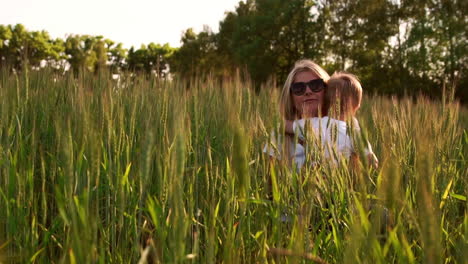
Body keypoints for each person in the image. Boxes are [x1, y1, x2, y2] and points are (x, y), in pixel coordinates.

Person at [285, 72, 378, 168]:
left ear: (326, 101)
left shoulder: (313, 123)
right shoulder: (354, 132)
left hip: (314, 174)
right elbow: (371, 160)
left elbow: (286, 125)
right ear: (357, 107)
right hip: (339, 177)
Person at [263, 59, 330, 169]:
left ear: (327, 90)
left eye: (316, 85)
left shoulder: (343, 129)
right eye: (299, 88)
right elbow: (271, 184)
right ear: (290, 97)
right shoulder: (279, 136)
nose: (308, 91)